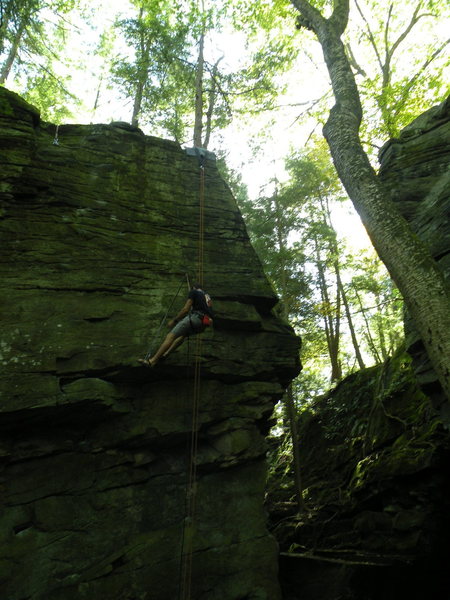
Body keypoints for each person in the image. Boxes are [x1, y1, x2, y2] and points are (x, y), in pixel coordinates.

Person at [139, 283, 213, 367]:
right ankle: (166, 354)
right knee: (183, 335)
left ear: (194, 288)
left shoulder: (193, 292)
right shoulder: (207, 296)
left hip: (196, 318)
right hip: (205, 323)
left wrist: (174, 320)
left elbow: (185, 309)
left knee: (170, 336)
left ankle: (152, 361)